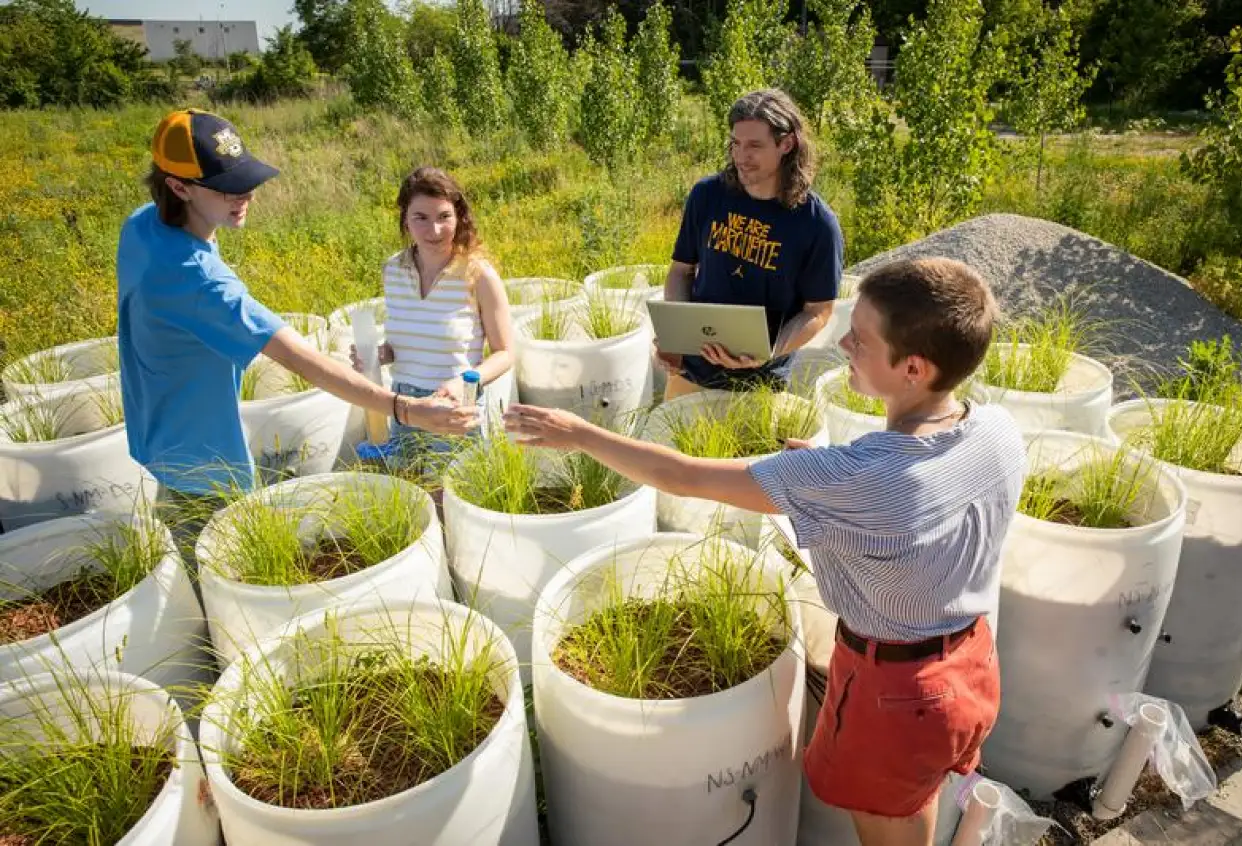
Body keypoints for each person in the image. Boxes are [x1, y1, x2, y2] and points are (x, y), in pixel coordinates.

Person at [504, 258, 1027, 846]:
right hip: (971, 666)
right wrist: (830, 480)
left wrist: (575, 432)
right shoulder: (998, 431)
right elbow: (924, 495)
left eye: (862, 337)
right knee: (914, 800)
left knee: (891, 830)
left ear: (912, 367)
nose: (844, 343)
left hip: (897, 696)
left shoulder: (861, 479)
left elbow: (684, 476)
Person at [116, 109, 479, 550]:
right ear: (179, 186)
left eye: (245, 178)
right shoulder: (200, 282)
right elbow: (303, 361)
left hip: (160, 432)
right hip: (204, 460)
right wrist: (406, 409)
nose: (245, 194)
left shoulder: (142, 225)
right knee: (221, 576)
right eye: (227, 187)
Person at [657, 88, 844, 400]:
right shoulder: (707, 196)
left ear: (786, 144)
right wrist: (676, 336)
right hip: (692, 371)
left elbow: (819, 311)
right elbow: (681, 271)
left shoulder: (817, 224)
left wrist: (770, 351)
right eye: (736, 144)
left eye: (755, 146)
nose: (741, 157)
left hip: (762, 382)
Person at [351, 166, 513, 468]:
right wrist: (379, 355)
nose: (434, 231)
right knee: (411, 490)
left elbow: (504, 353)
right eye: (420, 218)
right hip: (404, 403)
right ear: (405, 220)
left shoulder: (478, 274)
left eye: (443, 217)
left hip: (454, 403)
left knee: (447, 495)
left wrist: (464, 383)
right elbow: (406, 340)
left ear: (459, 216)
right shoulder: (394, 270)